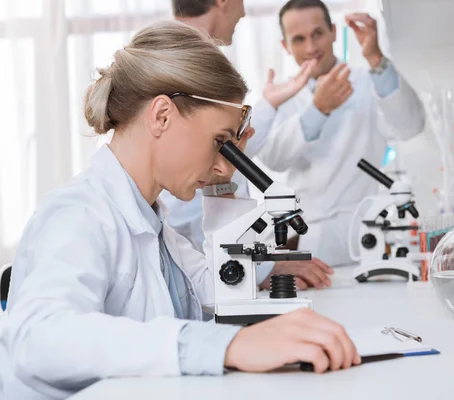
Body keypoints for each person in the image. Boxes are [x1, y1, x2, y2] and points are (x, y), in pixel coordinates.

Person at [0, 21, 360, 399]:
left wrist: (225, 177)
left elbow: (220, 287)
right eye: (220, 142)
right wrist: (228, 347)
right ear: (162, 116)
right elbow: (38, 338)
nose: (224, 162)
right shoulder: (78, 215)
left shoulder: (156, 226)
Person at [163, 0, 333, 290]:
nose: (244, 10)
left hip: (208, 265)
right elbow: (188, 197)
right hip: (196, 273)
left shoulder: (190, 59)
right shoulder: (182, 65)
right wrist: (260, 267)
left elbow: (223, 155)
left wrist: (268, 105)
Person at [255, 0, 426, 267]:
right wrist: (318, 110)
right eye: (299, 39)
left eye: (318, 34)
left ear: (334, 31)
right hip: (308, 237)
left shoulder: (369, 79)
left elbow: (410, 125)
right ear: (285, 46)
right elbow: (274, 158)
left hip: (361, 233)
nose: (311, 48)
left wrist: (376, 59)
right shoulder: (283, 95)